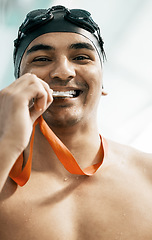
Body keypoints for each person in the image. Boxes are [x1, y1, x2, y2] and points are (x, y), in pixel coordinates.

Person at [0, 5, 152, 240]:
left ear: (102, 82)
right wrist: (8, 143)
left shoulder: (148, 176)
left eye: (81, 57)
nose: (63, 71)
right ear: (19, 83)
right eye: (41, 59)